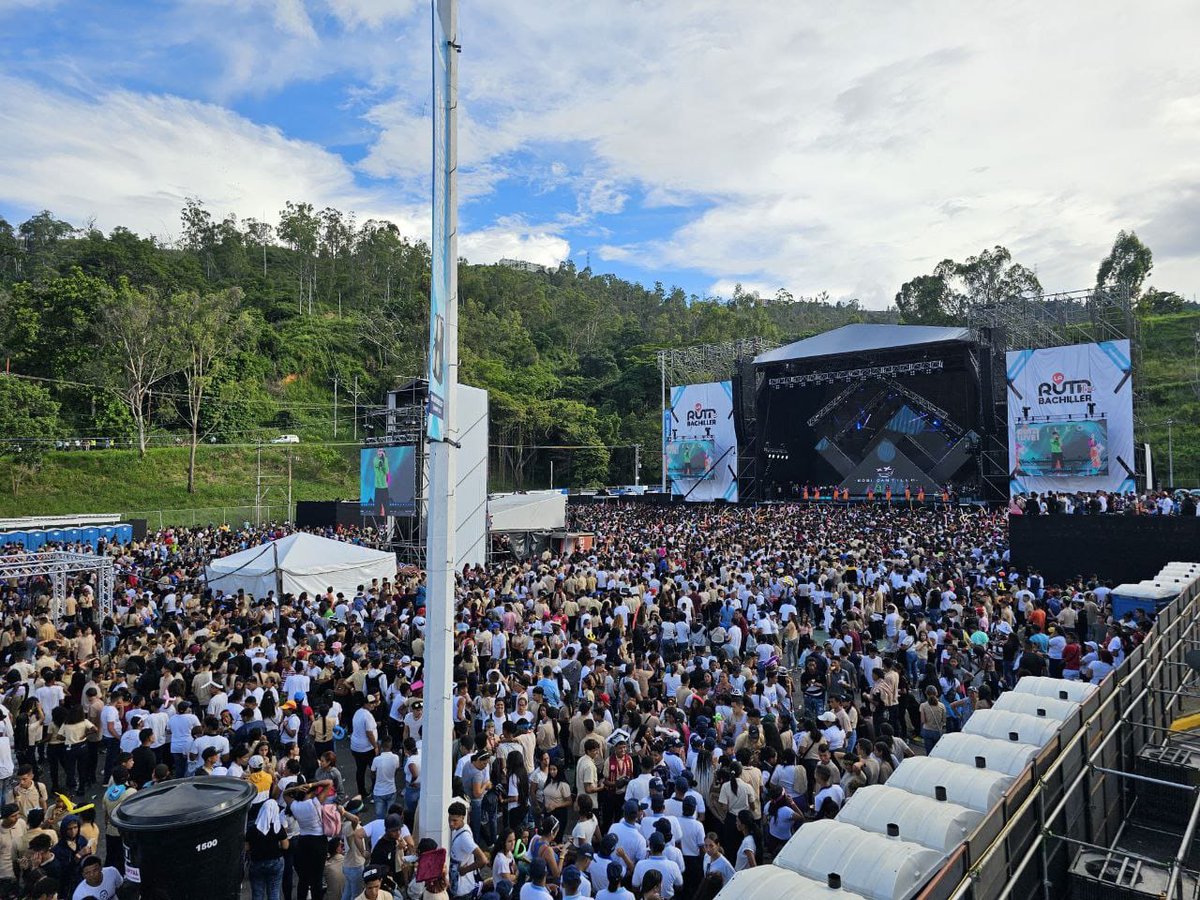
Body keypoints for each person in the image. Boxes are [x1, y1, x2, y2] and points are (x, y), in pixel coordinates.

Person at [246, 798, 289, 900]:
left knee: (257, 893)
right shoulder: (278, 827)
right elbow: (285, 845)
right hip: (275, 862)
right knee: (274, 892)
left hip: (257, 862)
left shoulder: (253, 828)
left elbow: (246, 847)